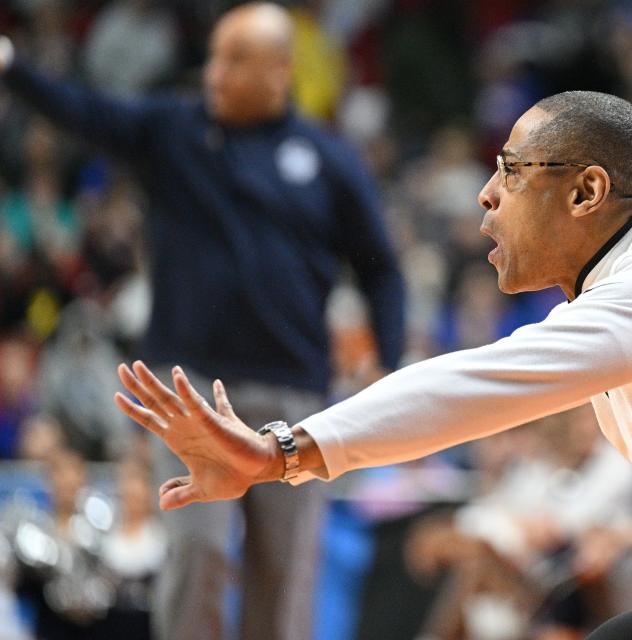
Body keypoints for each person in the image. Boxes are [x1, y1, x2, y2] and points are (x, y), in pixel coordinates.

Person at [115, 91, 632, 639]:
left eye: (511, 171)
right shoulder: (626, 290)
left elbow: (481, 383)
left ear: (588, 193)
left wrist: (283, 451)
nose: (485, 196)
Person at [0, 3, 405, 639]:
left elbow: (380, 265)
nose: (214, 73)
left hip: (293, 390)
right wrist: (11, 64)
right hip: (189, 386)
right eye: (214, 56)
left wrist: (388, 357)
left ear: (280, 70)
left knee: (285, 570)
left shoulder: (327, 159)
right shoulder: (173, 131)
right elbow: (85, 111)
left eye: (235, 59)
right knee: (197, 553)